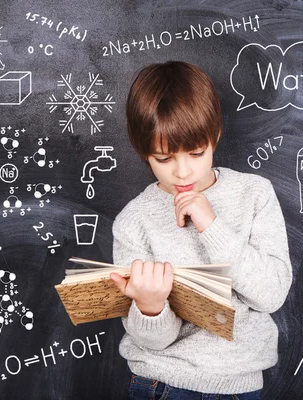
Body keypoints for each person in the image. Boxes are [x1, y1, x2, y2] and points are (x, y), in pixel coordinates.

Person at [110, 61, 293, 400]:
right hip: (162, 384)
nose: (182, 171)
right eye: (163, 159)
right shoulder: (133, 222)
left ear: (215, 136)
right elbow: (153, 340)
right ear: (143, 152)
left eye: (196, 153)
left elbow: (271, 294)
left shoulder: (254, 194)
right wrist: (150, 307)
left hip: (241, 384)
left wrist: (212, 226)